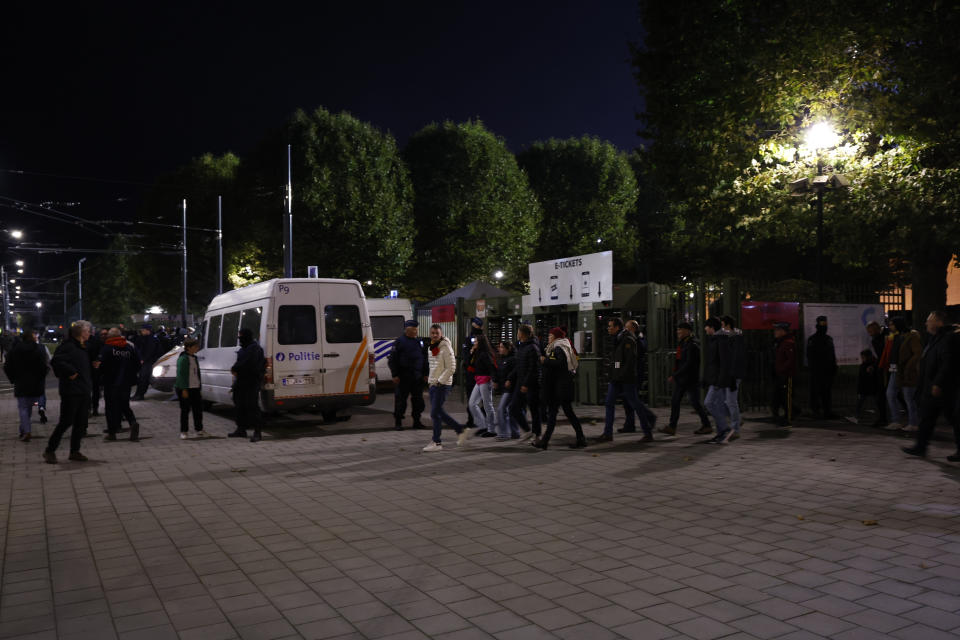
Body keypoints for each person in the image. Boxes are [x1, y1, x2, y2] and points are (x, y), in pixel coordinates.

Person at [903, 311, 960, 461]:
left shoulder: (948, 338)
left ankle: (921, 447)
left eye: (929, 320)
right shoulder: (935, 338)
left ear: (939, 322)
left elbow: (948, 363)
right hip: (932, 386)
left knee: (953, 419)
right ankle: (920, 447)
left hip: (942, 388)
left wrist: (938, 383)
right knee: (928, 418)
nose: (926, 323)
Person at [44, 321, 94, 463]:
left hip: (83, 390)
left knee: (80, 422)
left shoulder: (82, 347)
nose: (89, 333)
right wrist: (70, 372)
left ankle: (75, 451)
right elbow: (56, 362)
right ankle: (50, 450)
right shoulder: (69, 346)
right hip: (71, 391)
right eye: (87, 331)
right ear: (80, 333)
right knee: (66, 422)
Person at [601, 317, 654, 443]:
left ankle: (647, 432)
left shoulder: (628, 340)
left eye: (611, 326)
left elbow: (630, 361)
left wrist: (619, 375)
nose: (609, 328)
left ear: (617, 327)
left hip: (626, 379)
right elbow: (617, 361)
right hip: (617, 379)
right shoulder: (618, 339)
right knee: (609, 403)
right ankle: (608, 433)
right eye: (608, 326)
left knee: (636, 404)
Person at [536, 327, 587, 450]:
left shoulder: (559, 347)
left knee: (558, 413)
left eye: (550, 335)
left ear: (555, 337)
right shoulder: (561, 346)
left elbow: (560, 364)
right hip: (561, 387)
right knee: (560, 413)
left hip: (561, 387)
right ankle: (546, 441)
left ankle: (546, 441)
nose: (548, 337)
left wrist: (545, 361)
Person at [661, 322, 711, 436]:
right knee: (675, 402)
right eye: (677, 329)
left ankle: (707, 425)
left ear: (688, 331)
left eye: (680, 329)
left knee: (695, 403)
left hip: (689, 379)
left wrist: (675, 375)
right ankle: (672, 426)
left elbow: (689, 363)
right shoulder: (684, 343)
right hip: (682, 379)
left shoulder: (692, 344)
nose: (678, 332)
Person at [422, 324, 464, 451]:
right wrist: (430, 380)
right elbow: (433, 366)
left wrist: (440, 381)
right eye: (433, 333)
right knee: (436, 413)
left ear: (441, 334)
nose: (434, 335)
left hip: (442, 384)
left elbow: (451, 367)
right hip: (434, 383)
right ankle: (458, 431)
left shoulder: (445, 347)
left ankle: (437, 442)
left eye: (437, 333)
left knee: (435, 412)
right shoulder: (431, 346)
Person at [3, 326, 49, 442]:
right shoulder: (39, 349)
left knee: (23, 408)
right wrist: (41, 377)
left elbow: (7, 366)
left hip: (21, 383)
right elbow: (44, 366)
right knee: (29, 407)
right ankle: (24, 430)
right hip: (35, 384)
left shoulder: (15, 350)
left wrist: (13, 378)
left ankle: (26, 430)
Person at [99, 327, 142, 441]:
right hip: (126, 382)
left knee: (110, 407)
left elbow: (101, 366)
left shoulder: (107, 348)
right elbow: (138, 364)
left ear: (110, 337)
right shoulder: (128, 347)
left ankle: (112, 432)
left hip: (111, 382)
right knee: (124, 405)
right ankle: (132, 422)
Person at [882, 317, 922, 432]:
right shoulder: (894, 337)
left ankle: (913, 423)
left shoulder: (911, 336)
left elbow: (917, 353)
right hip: (896, 370)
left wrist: (909, 367)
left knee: (909, 397)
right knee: (890, 394)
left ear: (898, 325)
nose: (890, 327)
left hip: (906, 371)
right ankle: (896, 421)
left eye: (892, 325)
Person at [387, 320, 428, 430]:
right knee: (401, 400)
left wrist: (425, 373)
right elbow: (392, 360)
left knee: (418, 400)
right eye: (414, 329)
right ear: (407, 330)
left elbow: (425, 359)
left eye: (416, 329)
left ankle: (417, 421)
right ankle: (398, 422)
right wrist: (395, 374)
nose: (416, 331)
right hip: (403, 376)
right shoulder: (399, 342)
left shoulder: (420, 341)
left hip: (417, 377)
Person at [702, 317, 736, 443]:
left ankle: (725, 429)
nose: (705, 329)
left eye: (706, 326)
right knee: (718, 405)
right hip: (715, 379)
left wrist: (719, 381)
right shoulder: (714, 340)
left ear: (711, 327)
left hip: (718, 381)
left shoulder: (720, 340)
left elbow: (723, 363)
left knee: (709, 403)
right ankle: (722, 432)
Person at [229, 327, 266, 442]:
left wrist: (235, 368)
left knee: (252, 406)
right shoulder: (243, 349)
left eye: (241, 336)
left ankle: (257, 432)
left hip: (251, 382)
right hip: (241, 382)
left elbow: (248, 364)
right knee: (239, 406)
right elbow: (239, 363)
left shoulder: (255, 349)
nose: (239, 338)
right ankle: (241, 429)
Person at [620, 319, 657, 434]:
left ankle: (648, 418)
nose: (625, 329)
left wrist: (617, 369)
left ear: (634, 328)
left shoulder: (637, 339)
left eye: (628, 327)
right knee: (628, 399)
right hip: (628, 373)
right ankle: (630, 424)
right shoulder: (626, 339)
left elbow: (639, 351)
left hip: (634, 374)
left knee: (632, 399)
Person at [510, 324, 541, 440]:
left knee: (534, 410)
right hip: (520, 383)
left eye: (518, 332)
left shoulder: (533, 347)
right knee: (513, 407)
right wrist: (510, 378)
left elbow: (533, 368)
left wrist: (526, 384)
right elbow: (519, 366)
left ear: (523, 334)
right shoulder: (522, 346)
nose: (517, 334)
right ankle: (528, 430)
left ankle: (537, 435)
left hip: (530, 385)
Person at [467, 333, 499, 437]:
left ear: (480, 343)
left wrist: (494, 380)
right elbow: (470, 366)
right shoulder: (477, 352)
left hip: (485, 381)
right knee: (472, 404)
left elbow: (492, 367)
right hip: (479, 380)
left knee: (487, 405)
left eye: (476, 341)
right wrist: (471, 353)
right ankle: (482, 426)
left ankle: (491, 429)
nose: (474, 343)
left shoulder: (485, 354)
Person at [806, 315, 838, 419]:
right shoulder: (813, 339)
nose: (824, 327)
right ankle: (816, 411)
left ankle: (826, 411)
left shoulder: (828, 339)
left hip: (826, 370)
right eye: (822, 324)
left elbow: (832, 355)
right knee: (816, 391)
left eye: (825, 324)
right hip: (817, 370)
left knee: (826, 392)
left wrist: (833, 367)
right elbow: (810, 356)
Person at [175, 337, 208, 439]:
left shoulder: (194, 358)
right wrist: (184, 389)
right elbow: (181, 374)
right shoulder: (183, 358)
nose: (197, 348)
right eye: (195, 346)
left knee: (198, 410)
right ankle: (184, 431)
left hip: (195, 388)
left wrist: (199, 387)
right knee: (185, 410)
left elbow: (197, 374)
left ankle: (199, 430)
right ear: (189, 347)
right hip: (185, 388)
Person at [720, 315, 746, 440]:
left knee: (730, 401)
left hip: (734, 374)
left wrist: (732, 374)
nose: (721, 328)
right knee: (727, 401)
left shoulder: (735, 338)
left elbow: (735, 358)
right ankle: (737, 420)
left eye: (722, 325)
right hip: (731, 373)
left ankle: (735, 429)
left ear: (727, 325)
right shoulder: (732, 337)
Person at [771, 322, 797, 427]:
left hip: (786, 374)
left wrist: (781, 369)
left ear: (783, 331)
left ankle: (789, 417)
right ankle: (790, 413)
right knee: (780, 396)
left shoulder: (788, 343)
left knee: (787, 397)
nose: (775, 332)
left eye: (777, 330)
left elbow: (790, 360)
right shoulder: (780, 342)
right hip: (780, 374)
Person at [461, 317, 484, 428]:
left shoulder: (483, 339)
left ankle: (483, 421)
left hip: (481, 374)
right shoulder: (468, 340)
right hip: (472, 374)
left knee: (484, 399)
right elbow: (466, 359)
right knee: (472, 398)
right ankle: (471, 420)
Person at [493, 341, 519, 441]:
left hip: (511, 389)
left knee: (501, 409)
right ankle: (514, 432)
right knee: (510, 411)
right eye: (499, 347)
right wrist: (495, 380)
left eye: (502, 347)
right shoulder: (501, 359)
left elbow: (515, 371)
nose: (500, 349)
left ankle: (504, 433)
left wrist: (509, 379)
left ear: (508, 349)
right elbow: (498, 371)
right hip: (505, 389)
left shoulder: (513, 359)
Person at [865, 321, 890, 426]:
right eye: (868, 331)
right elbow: (880, 356)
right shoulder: (877, 339)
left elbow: (882, 355)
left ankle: (884, 418)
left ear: (876, 329)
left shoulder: (881, 339)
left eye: (870, 331)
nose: (869, 333)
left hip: (886, 368)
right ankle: (884, 417)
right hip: (883, 368)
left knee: (884, 394)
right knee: (888, 394)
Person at [132, 324, 161, 400]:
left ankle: (139, 395)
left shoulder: (151, 339)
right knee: (142, 378)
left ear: (148, 330)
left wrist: (143, 359)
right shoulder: (146, 338)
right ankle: (138, 394)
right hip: (146, 361)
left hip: (148, 362)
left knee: (143, 378)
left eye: (143, 330)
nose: (141, 331)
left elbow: (149, 351)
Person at [855, 348, 881, 423]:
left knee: (875, 401)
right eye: (862, 358)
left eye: (863, 357)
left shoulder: (873, 365)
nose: (862, 359)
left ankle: (879, 414)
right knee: (860, 401)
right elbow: (861, 379)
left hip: (871, 387)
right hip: (865, 388)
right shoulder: (864, 365)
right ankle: (857, 414)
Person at [87, 326, 105, 416]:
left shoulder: (91, 341)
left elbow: (101, 353)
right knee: (94, 390)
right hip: (93, 369)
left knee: (93, 389)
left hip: (92, 369)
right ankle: (93, 408)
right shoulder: (96, 341)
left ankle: (92, 408)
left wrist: (98, 360)